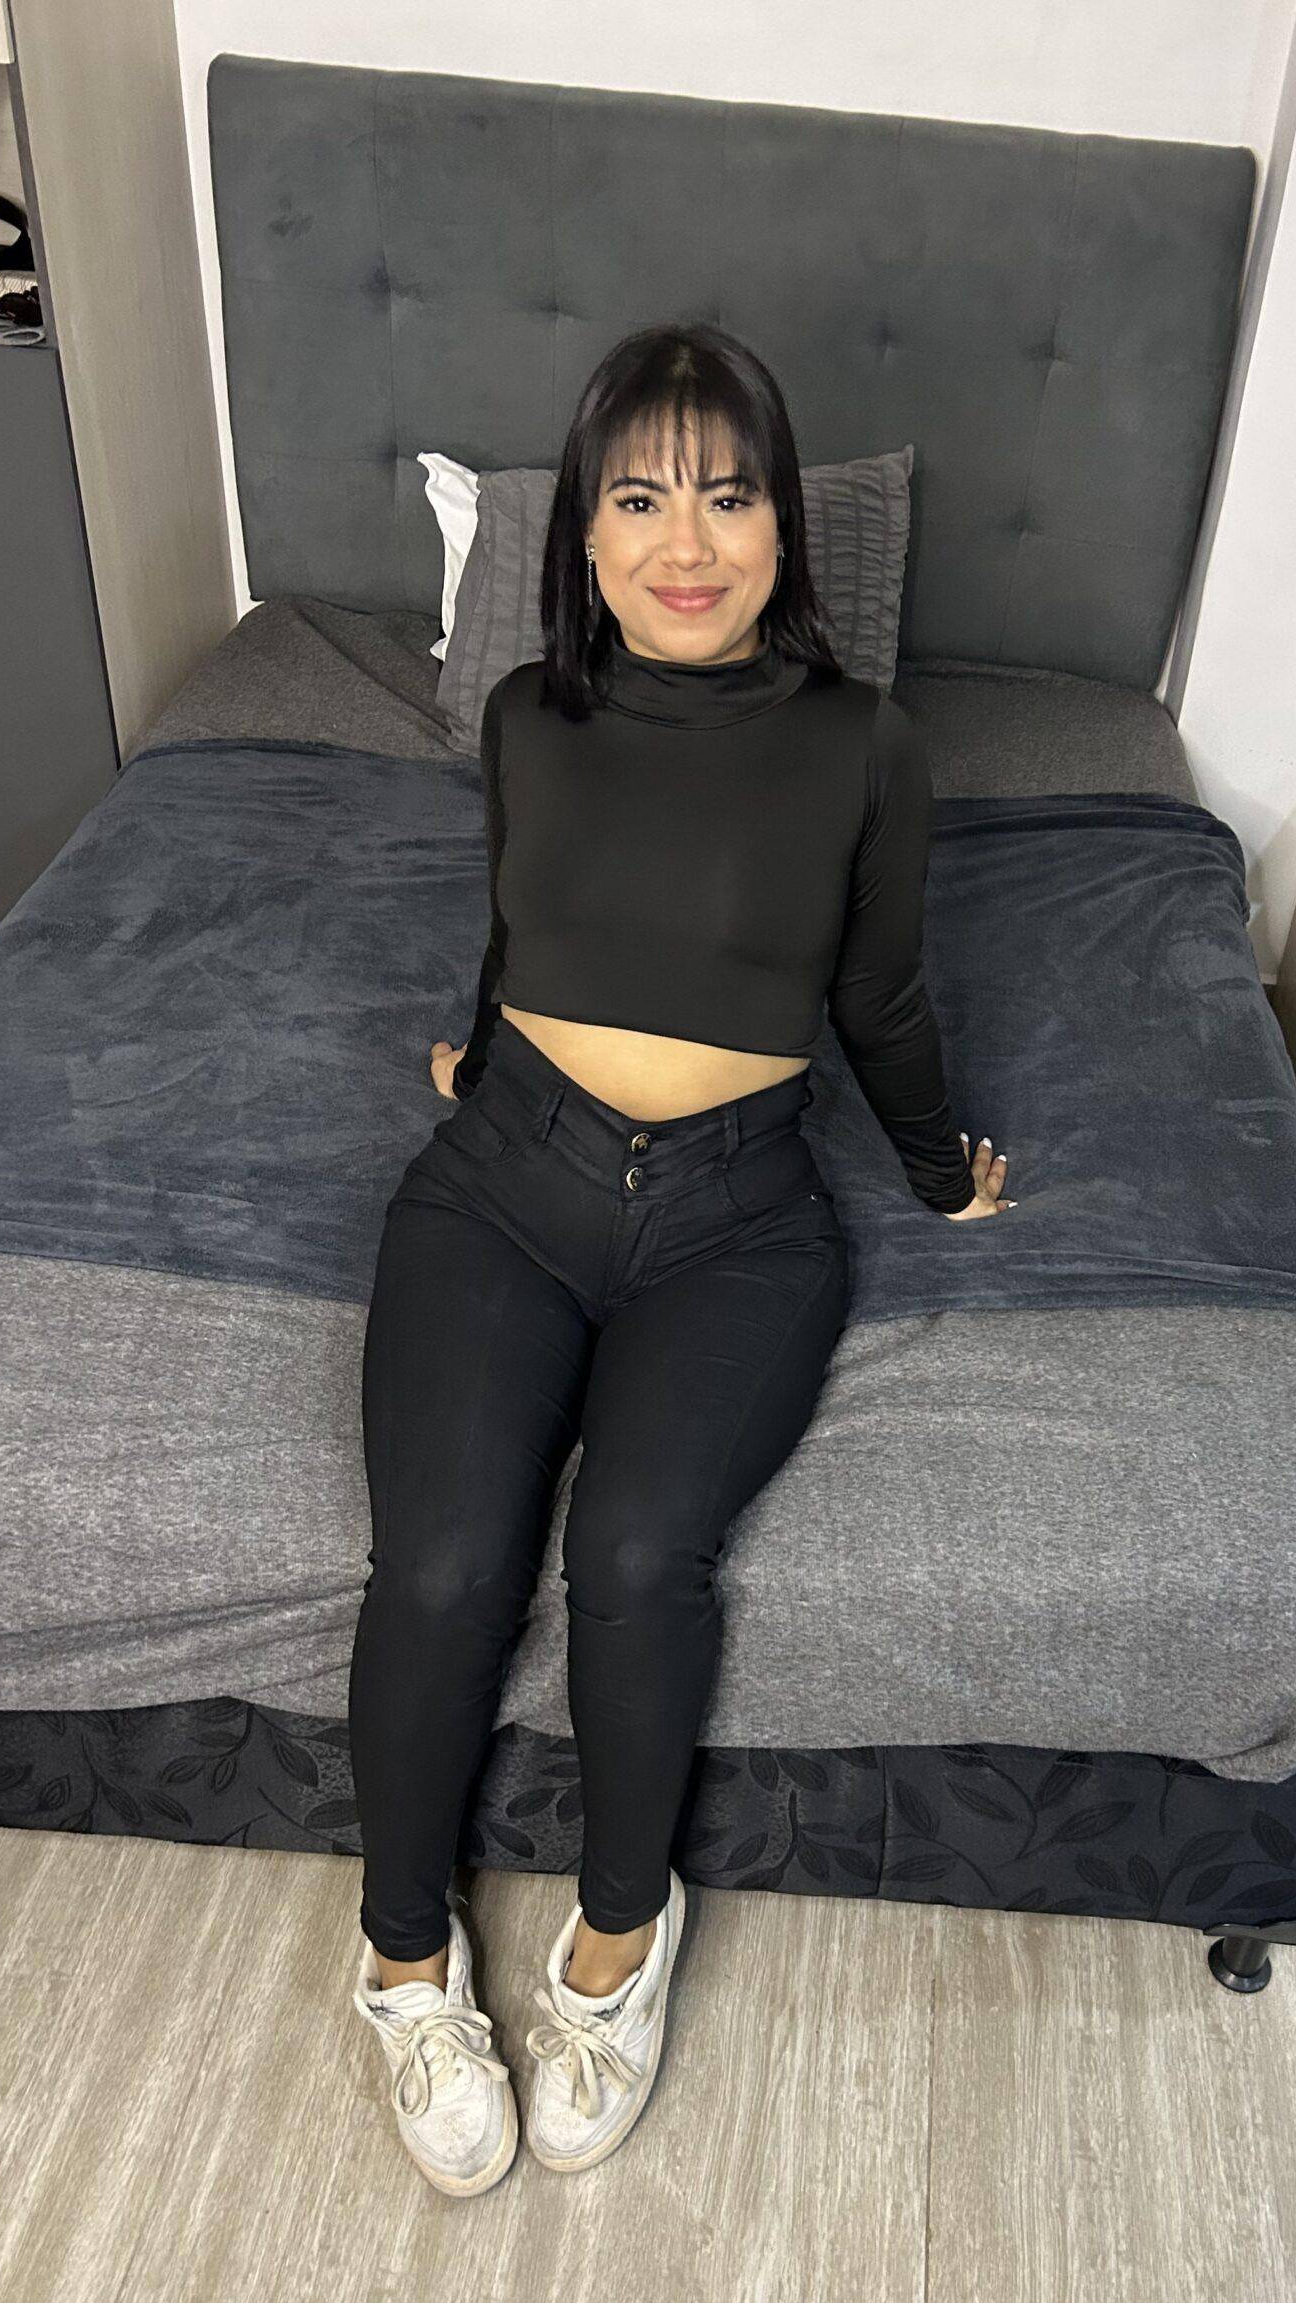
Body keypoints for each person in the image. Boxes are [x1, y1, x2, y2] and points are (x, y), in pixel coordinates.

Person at [347, 320, 1016, 2194]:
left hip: (738, 1219)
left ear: (786, 527)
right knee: (442, 1567)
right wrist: (489, 1048)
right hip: (504, 1181)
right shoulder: (523, 717)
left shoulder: (864, 748)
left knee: (640, 1558)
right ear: (582, 534)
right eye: (639, 498)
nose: (687, 541)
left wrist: (939, 1171)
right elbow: (518, 918)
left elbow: (882, 997)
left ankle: (620, 1940)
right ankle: (401, 1964)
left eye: (728, 496)